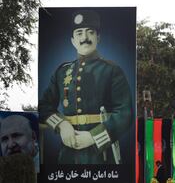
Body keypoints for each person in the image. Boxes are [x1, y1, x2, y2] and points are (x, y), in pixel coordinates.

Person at [39, 10, 132, 164]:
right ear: (73, 41)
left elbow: (125, 113)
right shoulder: (62, 71)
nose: (85, 38)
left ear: (98, 38)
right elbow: (43, 106)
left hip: (101, 154)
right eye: (79, 33)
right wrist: (62, 125)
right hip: (67, 152)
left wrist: (93, 137)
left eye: (90, 33)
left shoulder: (112, 70)